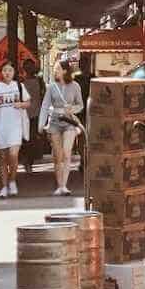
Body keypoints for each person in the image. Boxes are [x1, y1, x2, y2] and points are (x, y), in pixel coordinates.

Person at [38, 60, 84, 195]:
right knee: (58, 156)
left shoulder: (75, 86)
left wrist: (72, 109)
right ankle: (60, 186)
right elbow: (45, 105)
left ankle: (64, 185)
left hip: (69, 121)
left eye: (57, 68)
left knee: (66, 152)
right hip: (55, 122)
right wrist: (41, 124)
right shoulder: (51, 87)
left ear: (65, 71)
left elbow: (80, 105)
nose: (55, 71)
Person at [0, 62, 29, 196]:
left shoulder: (19, 86)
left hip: (16, 126)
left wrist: (21, 104)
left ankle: (12, 180)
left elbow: (28, 103)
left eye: (10, 70)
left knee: (13, 155)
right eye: (5, 70)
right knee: (3, 158)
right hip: (0, 126)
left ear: (14, 72)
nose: (7, 73)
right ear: (1, 72)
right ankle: (4, 186)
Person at [21, 60, 45, 174]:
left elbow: (43, 95)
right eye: (27, 67)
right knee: (25, 138)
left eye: (31, 66)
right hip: (24, 113)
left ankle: (28, 161)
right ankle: (26, 160)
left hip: (35, 114)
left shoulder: (39, 80)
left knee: (31, 138)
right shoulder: (21, 81)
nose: (29, 69)